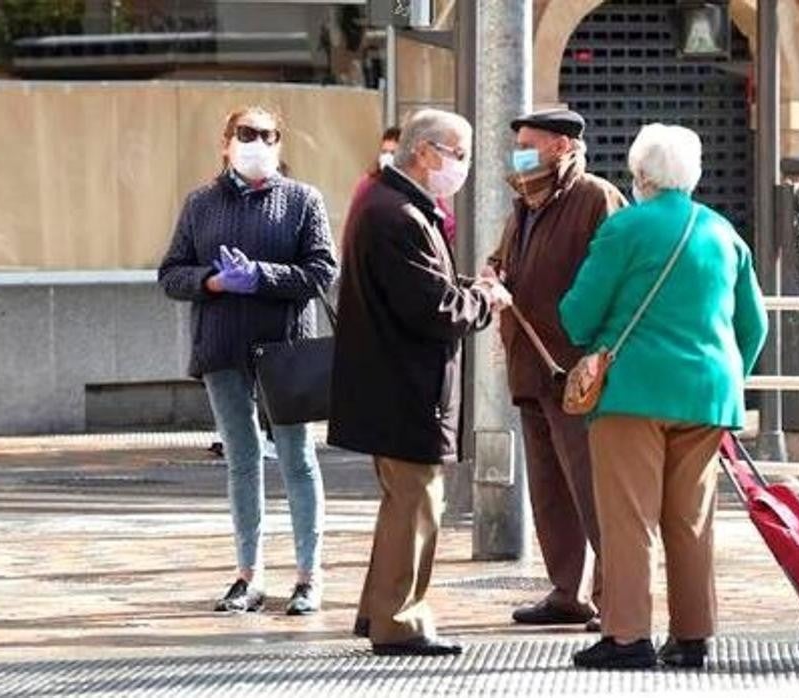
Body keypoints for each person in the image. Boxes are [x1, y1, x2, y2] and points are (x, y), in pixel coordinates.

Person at [559, 123, 768, 670]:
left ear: (642, 175)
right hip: (708, 397)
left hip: (633, 391)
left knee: (629, 517)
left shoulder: (626, 228)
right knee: (690, 518)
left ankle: (627, 636)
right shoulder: (725, 233)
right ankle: (693, 634)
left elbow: (578, 314)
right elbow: (755, 326)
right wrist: (726, 378)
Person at [328, 109, 512, 657]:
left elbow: (422, 285)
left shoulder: (390, 204)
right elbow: (433, 307)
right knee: (416, 501)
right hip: (404, 385)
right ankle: (399, 619)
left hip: (393, 381)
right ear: (425, 152)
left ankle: (377, 609)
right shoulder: (398, 213)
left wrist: (466, 289)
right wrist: (484, 299)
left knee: (403, 502)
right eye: (459, 155)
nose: (463, 167)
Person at [158, 106, 338, 617]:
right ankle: (248, 574)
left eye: (268, 135)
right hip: (223, 347)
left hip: (285, 350)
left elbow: (321, 271)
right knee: (242, 461)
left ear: (280, 143)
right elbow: (171, 273)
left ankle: (308, 575)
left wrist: (262, 275)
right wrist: (210, 283)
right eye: (247, 134)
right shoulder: (201, 203)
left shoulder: (303, 200)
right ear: (226, 143)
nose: (257, 142)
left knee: (298, 460)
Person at [484, 109, 627, 629]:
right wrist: (495, 271)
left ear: (563, 146)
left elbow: (618, 276)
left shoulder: (595, 197)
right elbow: (505, 259)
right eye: (518, 142)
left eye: (530, 143)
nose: (520, 152)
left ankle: (616, 594)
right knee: (549, 490)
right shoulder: (524, 202)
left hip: (577, 372)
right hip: (531, 367)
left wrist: (599, 353)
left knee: (592, 486)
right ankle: (567, 590)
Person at [346, 127, 456, 251]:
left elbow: (445, 221)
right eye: (384, 152)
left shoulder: (417, 186)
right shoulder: (369, 184)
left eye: (393, 153)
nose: (387, 157)